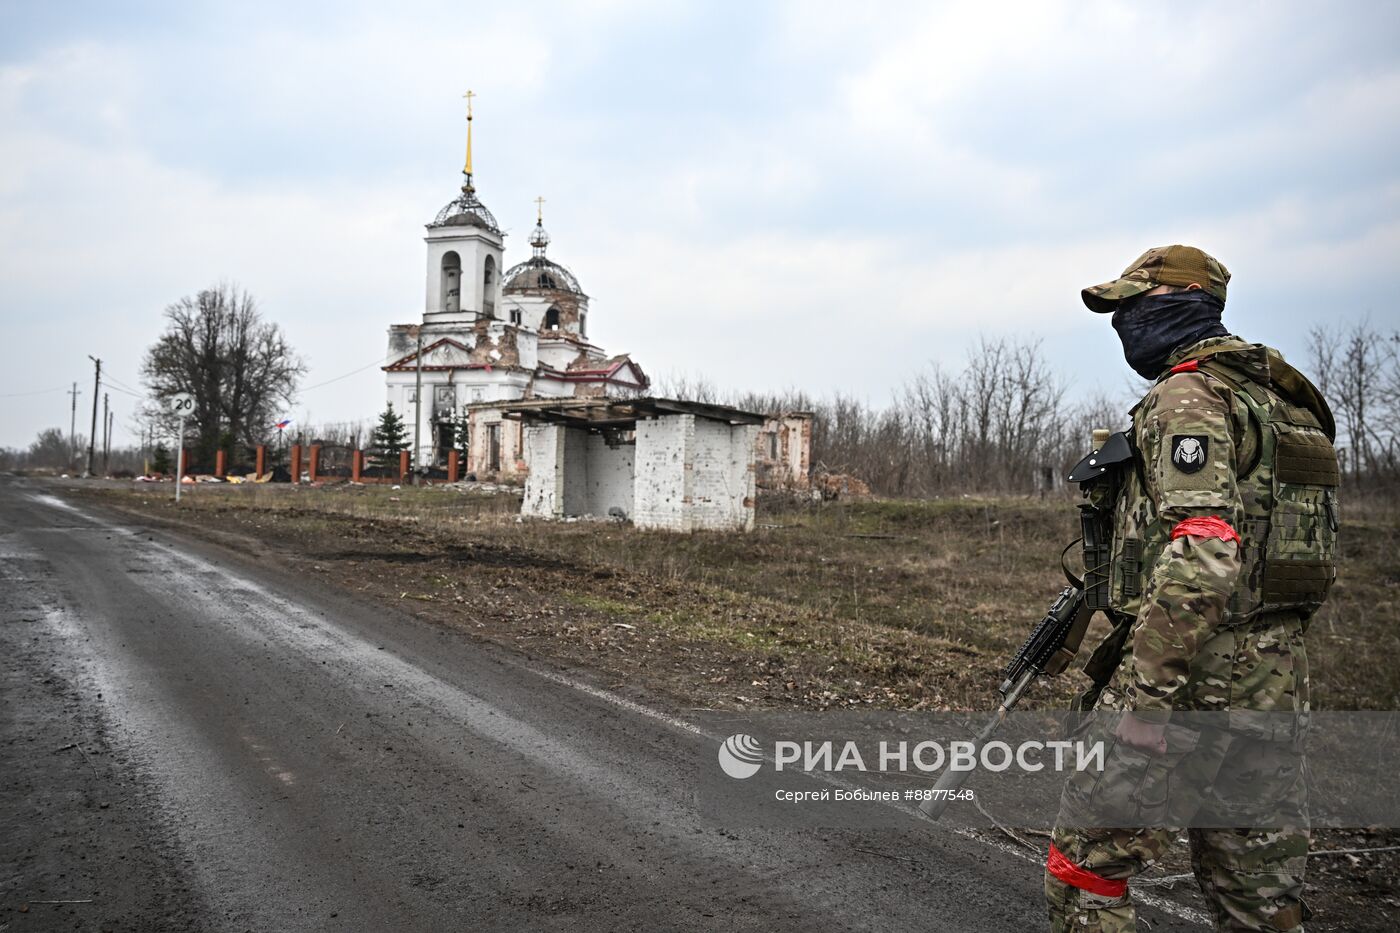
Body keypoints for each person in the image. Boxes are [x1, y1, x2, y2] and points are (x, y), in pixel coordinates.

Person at [1045, 245, 1340, 931]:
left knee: (1085, 868)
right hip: (1273, 688)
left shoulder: (1188, 395)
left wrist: (1146, 704)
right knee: (1259, 899)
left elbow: (1205, 546)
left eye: (1130, 307)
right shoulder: (1282, 402)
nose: (1122, 325)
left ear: (1173, 304)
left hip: (1189, 688)